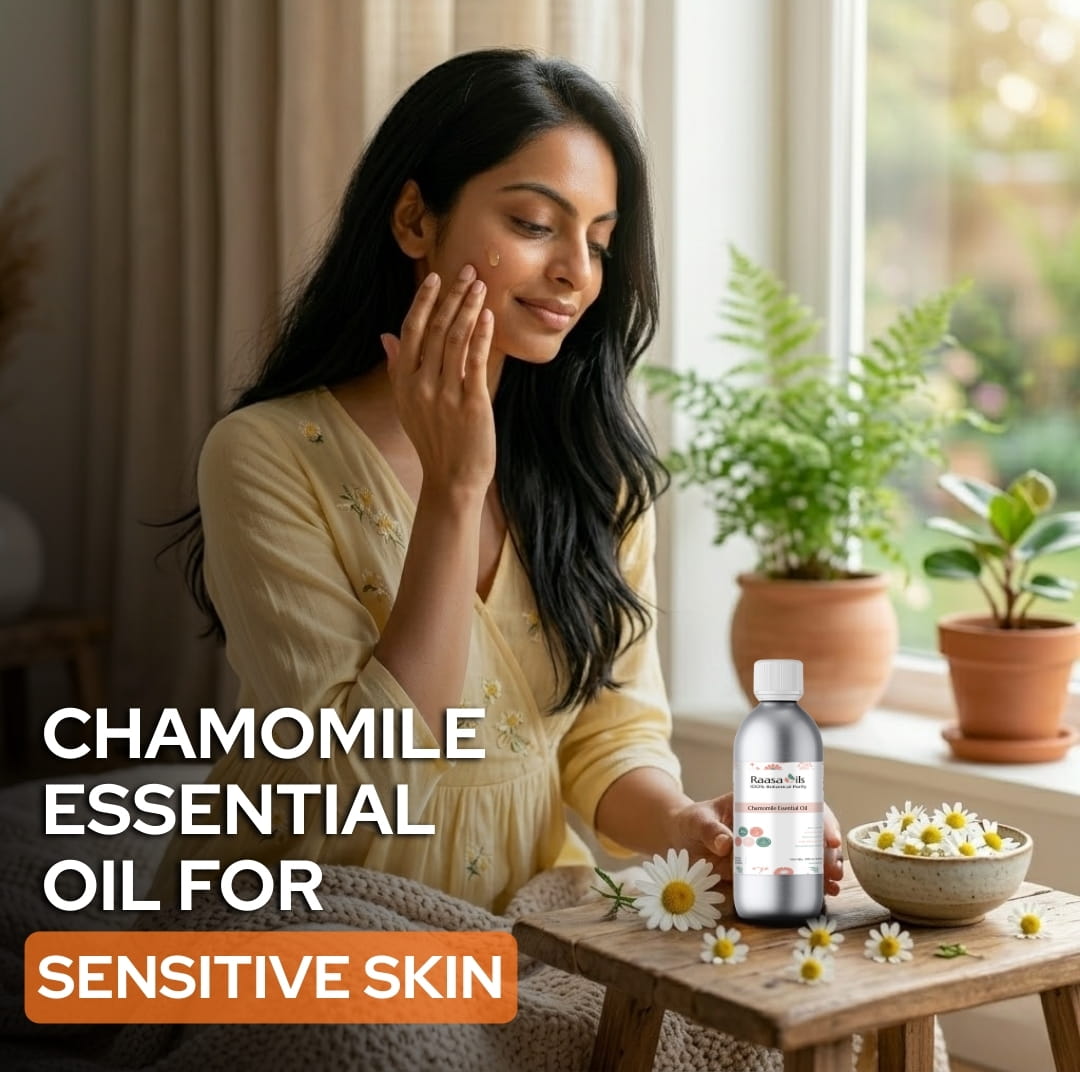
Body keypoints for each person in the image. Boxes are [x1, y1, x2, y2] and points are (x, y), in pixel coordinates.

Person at [155, 47, 843, 913]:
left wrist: (691, 824)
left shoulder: (600, 474)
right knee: (389, 1049)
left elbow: (609, 735)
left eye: (599, 241)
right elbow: (352, 775)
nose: (576, 273)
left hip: (526, 914)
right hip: (306, 907)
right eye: (532, 224)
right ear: (414, 220)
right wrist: (452, 491)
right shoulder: (264, 453)